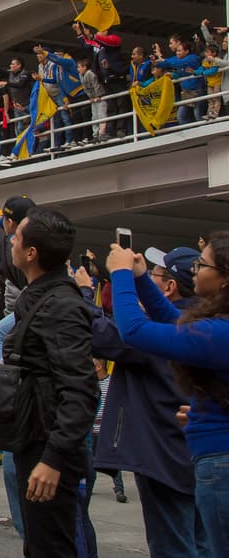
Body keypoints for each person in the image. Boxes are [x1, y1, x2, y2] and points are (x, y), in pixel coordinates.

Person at [76, 246, 210, 556]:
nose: (148, 276)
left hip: (164, 454)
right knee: (205, 543)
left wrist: (88, 292)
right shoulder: (201, 323)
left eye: (154, 274)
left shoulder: (171, 330)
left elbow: (121, 334)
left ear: (171, 286)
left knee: (173, 545)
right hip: (193, 452)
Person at [107, 233, 229, 556]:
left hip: (220, 465)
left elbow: (134, 331)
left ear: (224, 279)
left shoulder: (219, 333)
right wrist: (142, 278)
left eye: (203, 264)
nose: (195, 270)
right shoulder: (218, 329)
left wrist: (119, 275)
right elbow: (174, 319)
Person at [0, 207, 97, 558]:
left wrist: (53, 458)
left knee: (53, 546)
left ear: (31, 253)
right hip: (34, 440)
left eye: (17, 236)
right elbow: (1, 254)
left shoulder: (61, 307)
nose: (10, 239)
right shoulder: (41, 290)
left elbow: (81, 390)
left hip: (49, 449)